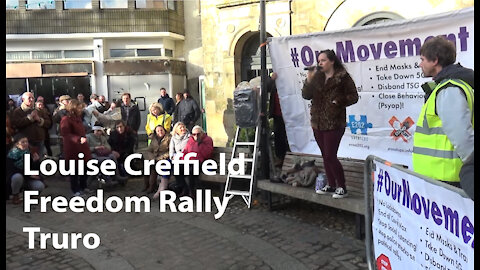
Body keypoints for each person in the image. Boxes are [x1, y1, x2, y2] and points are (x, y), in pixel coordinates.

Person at [412, 36, 474, 188]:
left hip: (446, 178)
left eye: (423, 59)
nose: (420, 64)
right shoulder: (448, 86)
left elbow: (462, 136)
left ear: (435, 61)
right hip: (442, 175)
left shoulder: (449, 89)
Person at [302, 49, 359, 199]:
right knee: (325, 156)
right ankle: (331, 184)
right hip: (318, 122)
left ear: (332, 61)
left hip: (334, 122)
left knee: (330, 155)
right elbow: (306, 95)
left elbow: (354, 96)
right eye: (319, 61)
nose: (320, 63)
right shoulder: (317, 77)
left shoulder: (342, 77)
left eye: (323, 60)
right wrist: (309, 79)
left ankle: (342, 187)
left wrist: (338, 102)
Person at [60, 99, 93, 196]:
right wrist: (78, 139)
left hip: (83, 147)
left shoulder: (78, 118)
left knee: (85, 168)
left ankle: (84, 186)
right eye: (79, 108)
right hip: (73, 148)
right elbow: (66, 134)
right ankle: (75, 189)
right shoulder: (66, 119)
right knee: (74, 170)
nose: (81, 110)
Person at [175, 125, 213, 198]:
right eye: (194, 134)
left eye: (198, 134)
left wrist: (199, 143)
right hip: (189, 161)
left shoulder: (207, 140)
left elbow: (207, 154)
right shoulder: (190, 140)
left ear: (202, 133)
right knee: (177, 169)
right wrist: (182, 159)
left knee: (192, 171)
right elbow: (185, 151)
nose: (196, 136)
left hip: (201, 162)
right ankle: (184, 188)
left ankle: (191, 191)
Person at [7, 133, 45, 204]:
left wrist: (36, 161)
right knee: (17, 177)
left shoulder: (28, 153)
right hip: (16, 179)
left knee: (40, 186)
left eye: (26, 142)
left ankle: (30, 195)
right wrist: (28, 174)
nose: (25, 144)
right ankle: (16, 196)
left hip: (27, 179)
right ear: (16, 144)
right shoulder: (11, 155)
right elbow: (12, 171)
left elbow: (36, 170)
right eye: (23, 142)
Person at [11, 92, 50, 157]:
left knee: (39, 160)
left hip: (40, 140)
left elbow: (48, 123)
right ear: (23, 99)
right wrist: (29, 118)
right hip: (26, 141)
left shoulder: (40, 110)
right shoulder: (18, 111)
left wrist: (39, 120)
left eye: (32, 98)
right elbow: (16, 124)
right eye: (29, 98)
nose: (31, 100)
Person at [268, 72, 290, 167]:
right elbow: (266, 88)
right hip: (278, 115)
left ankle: (289, 158)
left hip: (289, 115)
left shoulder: (290, 82)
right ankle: (280, 158)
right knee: (278, 137)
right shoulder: (274, 82)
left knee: (288, 137)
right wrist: (272, 79)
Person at [143, 125, 172, 196]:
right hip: (154, 157)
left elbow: (170, 151)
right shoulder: (154, 139)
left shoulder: (169, 138)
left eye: (161, 130)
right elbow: (149, 150)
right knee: (146, 166)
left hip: (164, 158)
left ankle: (151, 187)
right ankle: (146, 185)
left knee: (154, 168)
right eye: (158, 131)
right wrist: (152, 157)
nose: (160, 132)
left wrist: (159, 158)